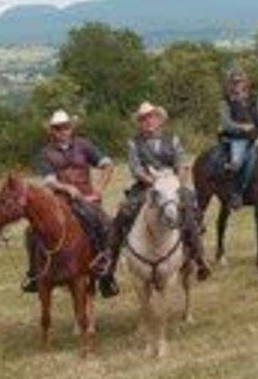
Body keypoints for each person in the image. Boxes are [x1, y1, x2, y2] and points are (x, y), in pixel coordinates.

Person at [109, 101, 209, 281]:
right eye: (143, 119)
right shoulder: (133, 143)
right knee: (124, 212)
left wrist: (175, 181)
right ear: (139, 122)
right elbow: (136, 169)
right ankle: (110, 265)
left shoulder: (173, 139)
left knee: (190, 207)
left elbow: (180, 162)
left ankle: (198, 257)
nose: (148, 121)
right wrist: (153, 182)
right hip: (146, 185)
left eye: (151, 117)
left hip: (171, 184)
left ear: (158, 119)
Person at [23, 109, 118, 296]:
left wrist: (98, 190)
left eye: (65, 127)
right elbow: (49, 181)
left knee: (108, 226)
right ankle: (34, 273)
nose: (62, 131)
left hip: (87, 199)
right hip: (59, 201)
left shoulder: (84, 145)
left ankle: (106, 275)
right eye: (58, 128)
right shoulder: (44, 153)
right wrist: (67, 189)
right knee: (31, 232)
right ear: (52, 131)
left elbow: (107, 164)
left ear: (71, 128)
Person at [218, 67, 258, 209]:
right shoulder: (226, 101)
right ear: (230, 84)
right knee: (237, 162)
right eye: (234, 82)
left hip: (256, 136)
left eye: (240, 81)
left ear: (245, 83)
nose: (237, 84)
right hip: (236, 139)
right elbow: (225, 123)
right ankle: (236, 193)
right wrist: (241, 127)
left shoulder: (254, 98)